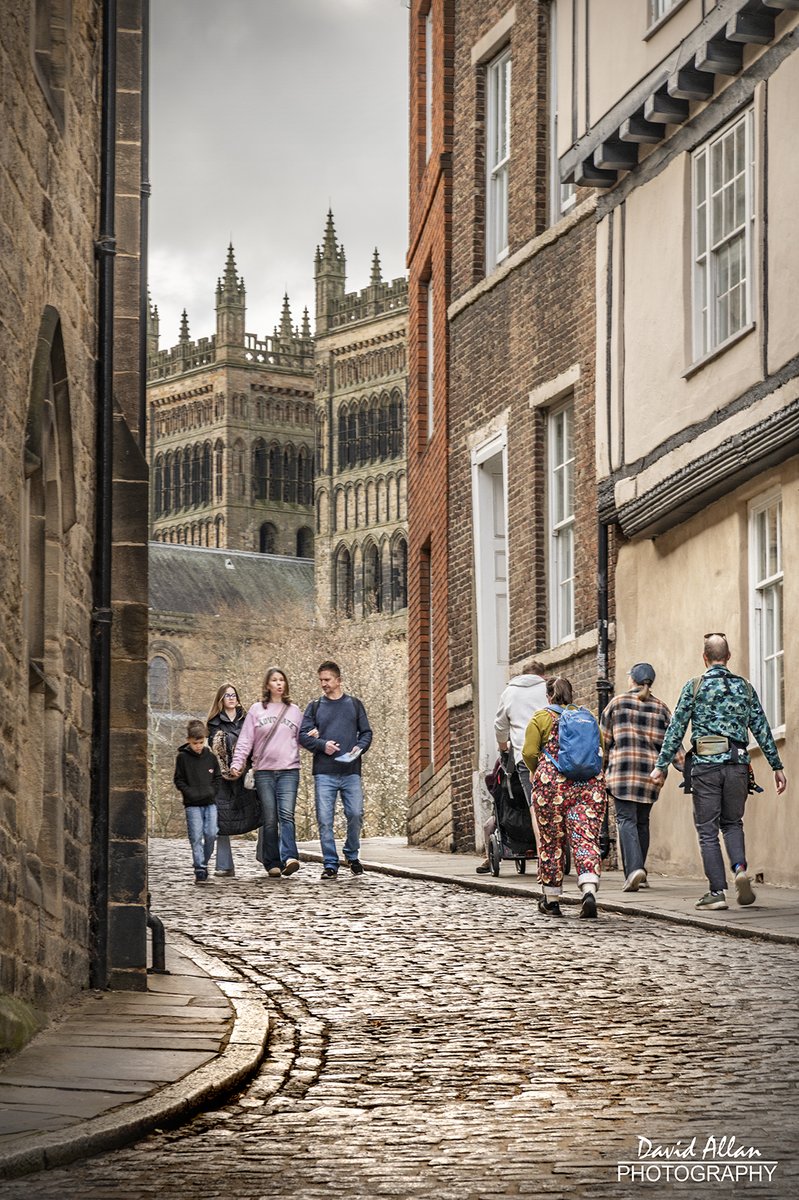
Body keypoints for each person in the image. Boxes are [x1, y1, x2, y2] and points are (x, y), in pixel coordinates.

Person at [651, 633, 786, 911]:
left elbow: (676, 728)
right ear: (729, 656)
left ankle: (716, 892)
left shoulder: (695, 686)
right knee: (733, 823)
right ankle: (739, 869)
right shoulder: (745, 688)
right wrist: (776, 766)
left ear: (705, 657)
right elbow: (761, 728)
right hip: (737, 765)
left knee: (707, 830)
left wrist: (661, 764)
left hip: (706, 767)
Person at [522, 677, 606, 918]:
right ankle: (589, 890)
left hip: (552, 787)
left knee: (551, 841)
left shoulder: (541, 718)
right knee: (586, 836)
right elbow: (599, 749)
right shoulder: (587, 717)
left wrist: (534, 769)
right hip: (588, 786)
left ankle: (552, 899)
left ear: (548, 696)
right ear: (572, 695)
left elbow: (528, 751)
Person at [599, 663, 681, 893]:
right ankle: (640, 874)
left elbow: (603, 743)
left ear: (632, 680)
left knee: (626, 820)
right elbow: (673, 744)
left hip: (622, 774)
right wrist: (687, 768)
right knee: (642, 822)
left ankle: (634, 869)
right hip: (650, 777)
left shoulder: (616, 703)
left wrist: (599, 771)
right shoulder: (661, 708)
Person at [299, 660, 373, 879]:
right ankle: (330, 864)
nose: (324, 684)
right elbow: (303, 736)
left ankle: (351, 854)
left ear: (338, 680)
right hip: (324, 772)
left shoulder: (354, 704)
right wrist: (323, 745)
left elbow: (367, 733)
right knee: (324, 819)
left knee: (356, 813)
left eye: (327, 680)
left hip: (351, 771)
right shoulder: (314, 706)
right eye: (321, 680)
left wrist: (359, 747)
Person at [475, 665, 548, 874]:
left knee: (534, 805)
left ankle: (544, 859)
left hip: (523, 757)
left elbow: (500, 726)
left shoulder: (510, 692)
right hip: (552, 754)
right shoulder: (548, 688)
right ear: (541, 675)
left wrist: (503, 748)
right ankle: (553, 854)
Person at [231, 667, 303, 878]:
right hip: (264, 771)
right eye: (274, 680)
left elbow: (303, 738)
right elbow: (246, 740)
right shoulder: (256, 710)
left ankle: (290, 857)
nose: (279, 683)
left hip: (289, 770)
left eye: (282, 680)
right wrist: (238, 763)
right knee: (270, 818)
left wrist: (315, 736)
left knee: (287, 815)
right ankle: (272, 862)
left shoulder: (295, 711)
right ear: (267, 685)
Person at [207, 683, 262, 877]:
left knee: (265, 812)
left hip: (247, 774)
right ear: (221, 700)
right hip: (223, 777)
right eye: (227, 695)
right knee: (222, 819)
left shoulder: (248, 719)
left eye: (233, 695)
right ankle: (224, 864)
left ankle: (266, 855)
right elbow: (215, 747)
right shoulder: (213, 723)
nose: (231, 698)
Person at [174, 718, 221, 884]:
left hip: (210, 802)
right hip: (192, 804)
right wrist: (190, 793)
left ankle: (204, 862)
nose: (198, 746)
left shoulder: (211, 757)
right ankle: (199, 867)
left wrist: (212, 791)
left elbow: (217, 777)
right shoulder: (182, 758)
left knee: (211, 833)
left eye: (201, 742)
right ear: (189, 741)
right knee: (195, 836)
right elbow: (178, 780)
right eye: (195, 743)